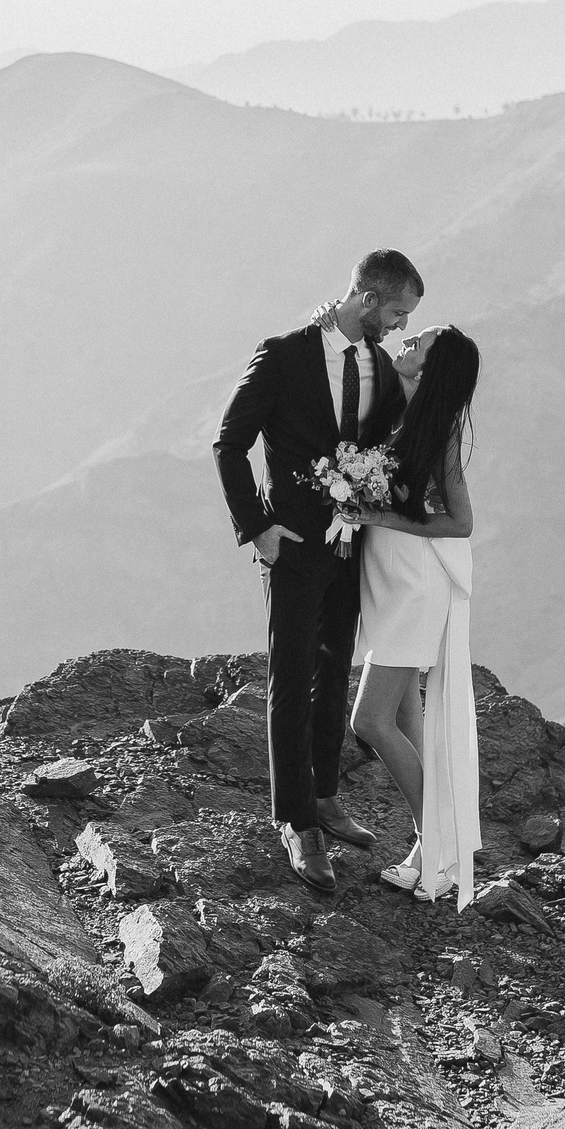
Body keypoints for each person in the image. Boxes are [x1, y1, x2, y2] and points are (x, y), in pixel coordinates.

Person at [213, 249, 422, 892]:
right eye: (395, 312)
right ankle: (296, 822)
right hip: (293, 546)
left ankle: (326, 797)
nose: (398, 325)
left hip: (350, 549)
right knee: (291, 675)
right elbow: (230, 441)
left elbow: (387, 443)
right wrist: (258, 528)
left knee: (334, 672)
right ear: (365, 299)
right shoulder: (284, 355)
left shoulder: (379, 367)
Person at [340, 323, 482, 907]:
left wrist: (378, 517)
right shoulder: (405, 413)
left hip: (415, 588)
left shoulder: (439, 429)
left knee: (369, 722)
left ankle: (435, 844)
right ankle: (440, 845)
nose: (406, 344)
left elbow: (461, 521)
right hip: (390, 582)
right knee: (405, 717)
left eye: (417, 342)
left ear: (431, 367)